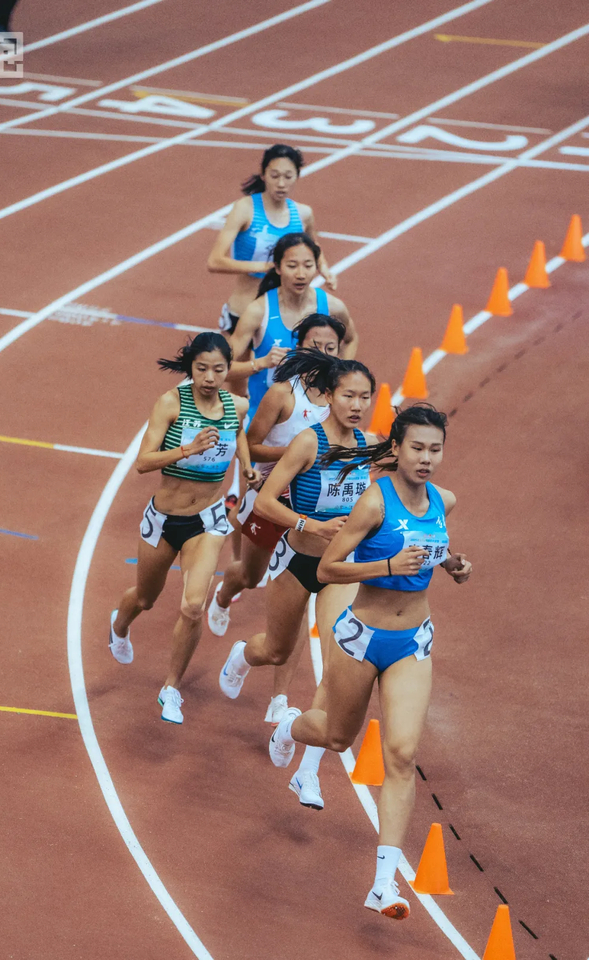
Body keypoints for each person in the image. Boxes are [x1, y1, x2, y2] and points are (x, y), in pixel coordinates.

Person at [267, 405, 472, 919]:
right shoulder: (373, 503)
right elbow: (329, 568)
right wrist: (386, 565)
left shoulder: (443, 500)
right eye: (417, 448)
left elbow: (433, 544)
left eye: (435, 449)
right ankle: (290, 727)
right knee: (337, 737)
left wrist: (453, 563)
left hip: (413, 642)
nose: (426, 458)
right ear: (397, 449)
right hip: (362, 638)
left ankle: (384, 883)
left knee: (401, 755)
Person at [218, 351, 376, 810]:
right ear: (328, 395)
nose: (357, 405)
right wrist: (310, 525)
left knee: (337, 661)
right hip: (296, 561)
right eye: (348, 395)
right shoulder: (308, 442)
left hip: (338, 570)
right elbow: (267, 501)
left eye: (365, 397)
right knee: (276, 650)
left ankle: (307, 772)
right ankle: (242, 655)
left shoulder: (367, 446)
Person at [108, 332, 261, 725]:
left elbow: (238, 434)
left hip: (208, 521)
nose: (209, 377)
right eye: (201, 369)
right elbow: (143, 462)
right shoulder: (171, 403)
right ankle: (119, 625)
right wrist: (186, 450)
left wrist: (246, 465)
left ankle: (171, 688)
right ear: (190, 367)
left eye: (218, 370)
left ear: (229, 370)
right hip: (164, 520)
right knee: (145, 598)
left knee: (193, 606)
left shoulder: (236, 405)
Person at [208, 314, 347, 726]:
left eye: (331, 347)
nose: (324, 354)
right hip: (269, 500)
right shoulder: (283, 394)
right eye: (316, 346)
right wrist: (298, 455)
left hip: (311, 512)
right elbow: (250, 445)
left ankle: (280, 697)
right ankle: (224, 593)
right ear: (299, 345)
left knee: (300, 600)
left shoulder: (343, 401)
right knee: (250, 576)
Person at [206, 143, 336, 338]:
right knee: (234, 359)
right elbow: (214, 261)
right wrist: (265, 267)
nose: (281, 184)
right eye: (275, 176)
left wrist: (324, 269)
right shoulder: (245, 209)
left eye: (288, 176)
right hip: (243, 311)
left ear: (297, 176)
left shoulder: (303, 214)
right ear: (263, 174)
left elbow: (313, 247)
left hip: (282, 318)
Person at [226, 232, 358, 422]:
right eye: (292, 266)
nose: (301, 274)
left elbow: (351, 339)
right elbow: (223, 368)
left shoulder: (332, 307)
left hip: (316, 419)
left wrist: (341, 374)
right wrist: (260, 363)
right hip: (265, 421)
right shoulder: (258, 311)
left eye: (308, 265)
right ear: (277, 267)